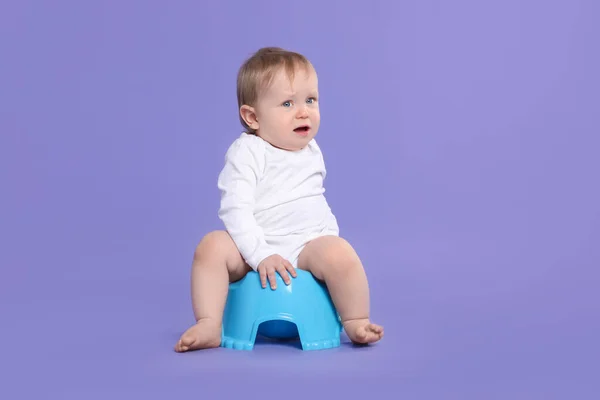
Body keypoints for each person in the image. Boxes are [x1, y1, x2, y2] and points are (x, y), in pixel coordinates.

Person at [175, 47, 383, 352]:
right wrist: (259, 254)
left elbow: (312, 200)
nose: (303, 112)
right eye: (287, 103)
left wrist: (325, 237)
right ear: (253, 117)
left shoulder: (312, 150)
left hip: (306, 245)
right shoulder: (248, 152)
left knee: (341, 254)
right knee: (211, 247)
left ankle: (355, 320)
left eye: (310, 100)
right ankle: (209, 323)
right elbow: (236, 209)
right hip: (253, 246)